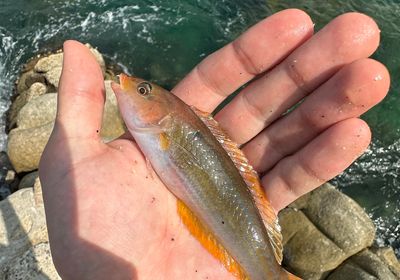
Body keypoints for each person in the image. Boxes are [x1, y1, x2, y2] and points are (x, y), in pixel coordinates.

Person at [39, 9, 390, 280]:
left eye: (143, 90)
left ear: (163, 115)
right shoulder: (161, 128)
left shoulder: (167, 128)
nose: (130, 86)